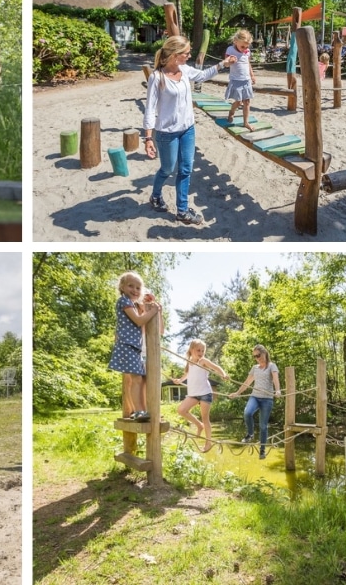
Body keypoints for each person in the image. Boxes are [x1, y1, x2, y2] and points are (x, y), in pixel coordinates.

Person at [143, 36, 235, 225]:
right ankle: (155, 196)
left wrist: (222, 64)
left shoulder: (184, 70)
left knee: (186, 169)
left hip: (188, 130)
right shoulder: (157, 77)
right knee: (167, 169)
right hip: (166, 133)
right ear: (175, 55)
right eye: (186, 53)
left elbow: (201, 76)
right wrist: (148, 138)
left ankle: (182, 211)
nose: (189, 55)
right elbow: (150, 109)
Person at [108, 271, 162, 422]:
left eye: (138, 288)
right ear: (122, 287)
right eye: (131, 286)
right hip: (127, 344)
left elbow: (142, 313)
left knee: (139, 379)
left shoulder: (131, 303)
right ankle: (139, 411)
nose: (135, 290)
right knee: (136, 379)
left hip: (133, 346)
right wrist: (154, 311)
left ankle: (142, 410)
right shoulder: (124, 301)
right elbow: (139, 321)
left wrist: (149, 305)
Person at [172, 339, 228, 453]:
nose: (201, 352)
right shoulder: (189, 362)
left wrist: (223, 374)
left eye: (203, 350)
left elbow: (216, 367)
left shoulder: (203, 361)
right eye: (198, 350)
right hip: (193, 394)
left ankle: (208, 443)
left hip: (205, 394)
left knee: (205, 418)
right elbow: (187, 374)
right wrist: (180, 380)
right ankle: (199, 425)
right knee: (181, 410)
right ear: (191, 350)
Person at [229, 344, 281, 460]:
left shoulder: (272, 366)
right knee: (247, 413)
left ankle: (262, 450)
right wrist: (237, 393)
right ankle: (250, 434)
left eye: (258, 355)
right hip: (255, 397)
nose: (257, 358)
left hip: (267, 399)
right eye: (255, 356)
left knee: (263, 426)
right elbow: (247, 382)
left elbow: (276, 380)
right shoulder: (255, 368)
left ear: (264, 353)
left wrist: (278, 390)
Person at [224, 29, 257, 135]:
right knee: (238, 102)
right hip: (236, 80)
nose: (244, 49)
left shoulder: (247, 52)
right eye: (242, 46)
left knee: (247, 102)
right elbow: (225, 64)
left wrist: (252, 75)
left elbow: (248, 63)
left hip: (246, 80)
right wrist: (229, 62)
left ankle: (246, 122)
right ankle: (232, 111)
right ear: (235, 41)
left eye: (247, 47)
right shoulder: (230, 50)